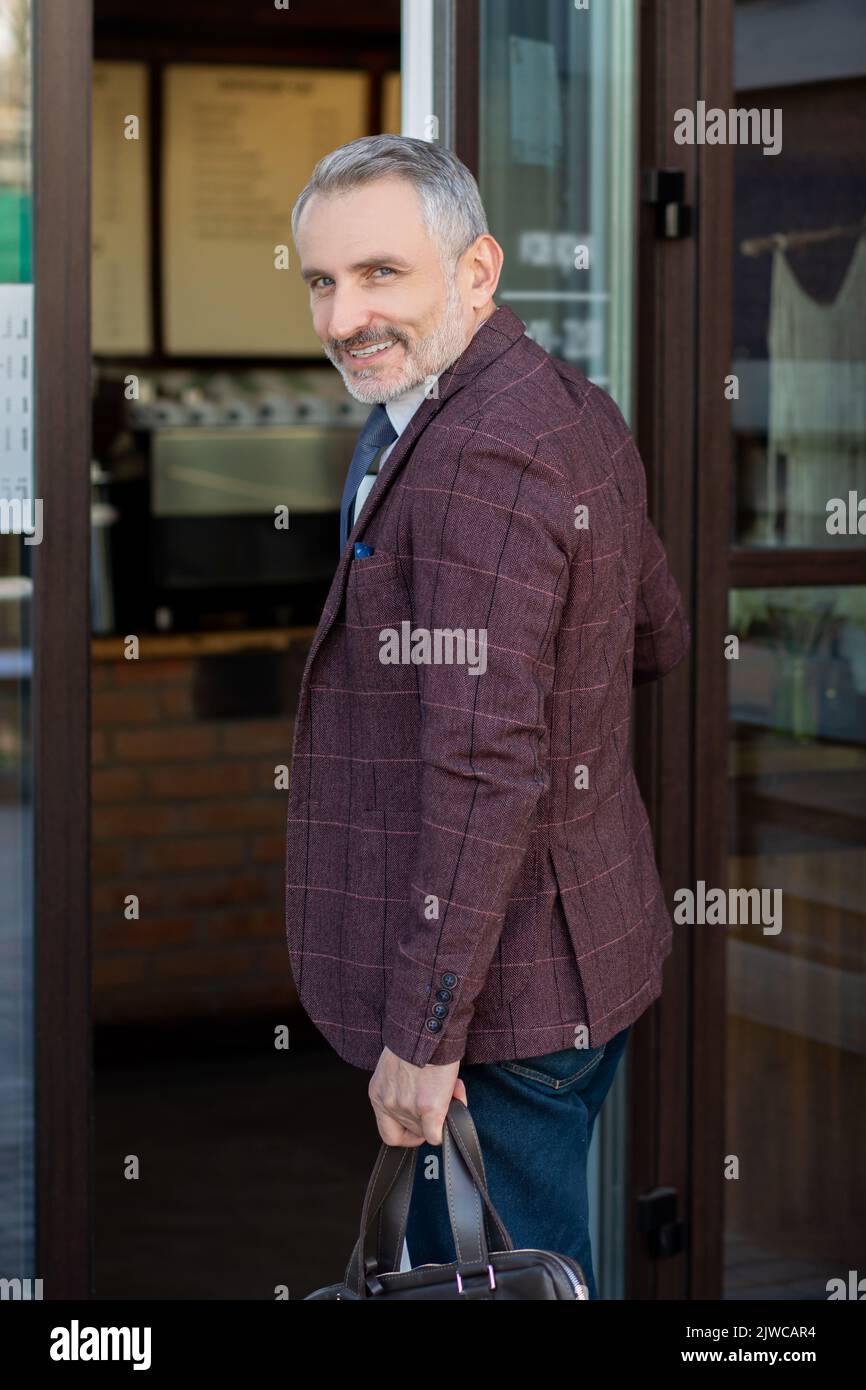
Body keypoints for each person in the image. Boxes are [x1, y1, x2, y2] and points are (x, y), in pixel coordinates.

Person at [285, 135, 690, 1298]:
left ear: (476, 271)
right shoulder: (561, 401)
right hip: (566, 973)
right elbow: (655, 631)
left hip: (494, 1008)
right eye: (321, 280)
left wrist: (421, 1036)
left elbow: (481, 768)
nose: (343, 313)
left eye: (380, 274)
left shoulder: (477, 455)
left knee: (487, 1285)